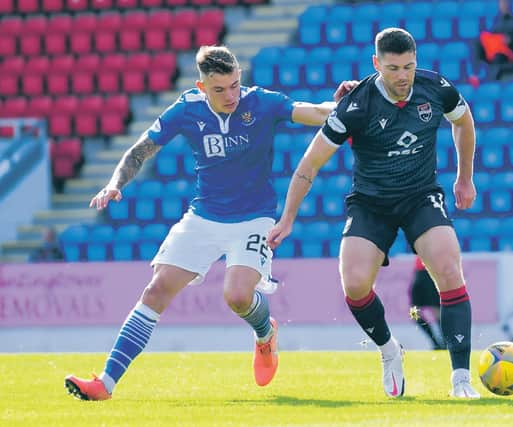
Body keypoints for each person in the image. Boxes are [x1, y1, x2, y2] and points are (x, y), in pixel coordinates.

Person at [64, 45, 352, 401]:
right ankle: (105, 383)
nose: (230, 95)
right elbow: (140, 150)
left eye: (234, 85)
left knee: (237, 295)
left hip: (254, 218)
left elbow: (312, 111)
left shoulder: (261, 102)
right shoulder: (186, 109)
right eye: (219, 89)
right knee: (155, 290)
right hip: (203, 217)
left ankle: (265, 334)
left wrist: (341, 107)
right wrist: (114, 184)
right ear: (202, 88)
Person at [268, 27, 480, 399]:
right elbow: (309, 164)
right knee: (353, 283)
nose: (402, 76)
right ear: (376, 63)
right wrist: (287, 218)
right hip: (371, 202)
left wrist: (465, 178)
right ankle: (389, 350)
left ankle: (461, 379)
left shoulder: (437, 87)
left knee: (448, 267)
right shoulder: (356, 104)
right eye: (393, 67)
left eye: (409, 67)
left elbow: (463, 122)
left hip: (420, 195)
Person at [468, 0, 513, 85]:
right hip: (494, 68)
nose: (504, 5)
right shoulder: (491, 23)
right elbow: (480, 44)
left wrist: (510, 39)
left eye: (506, 2)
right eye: (502, 3)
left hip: (511, 67)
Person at [408, 256, 445, 350]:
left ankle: (444, 343)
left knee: (436, 311)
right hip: (419, 273)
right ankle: (436, 343)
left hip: (431, 273)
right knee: (414, 312)